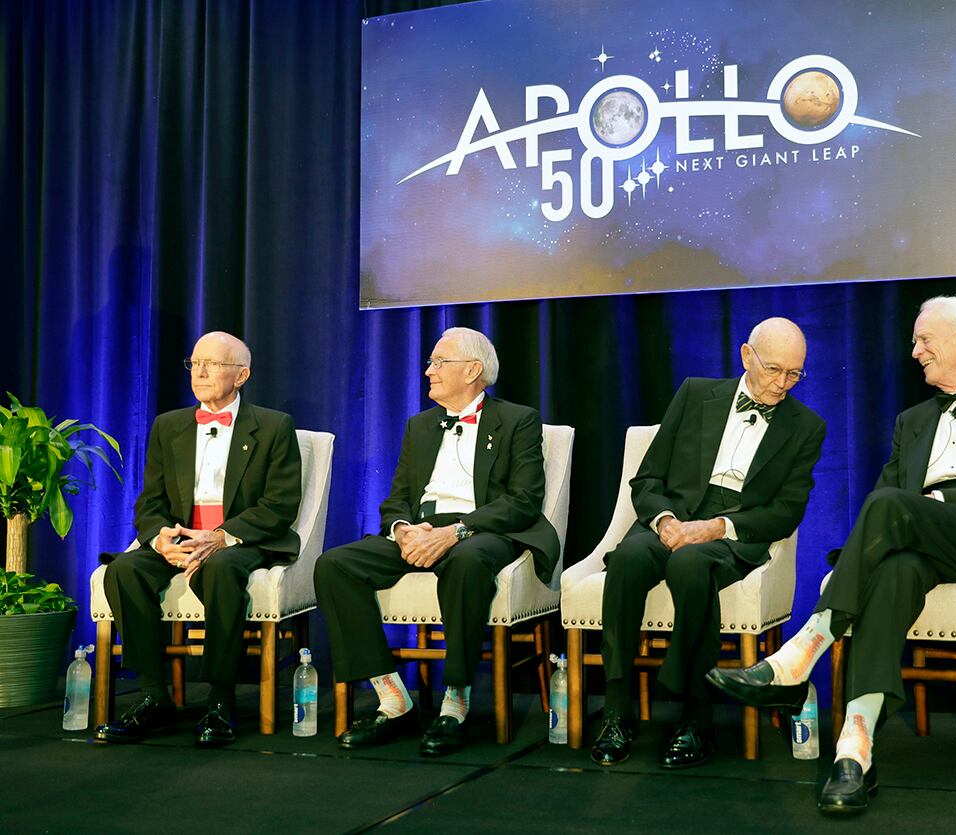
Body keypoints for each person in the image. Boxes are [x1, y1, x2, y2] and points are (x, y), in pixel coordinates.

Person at [708, 296, 956, 814]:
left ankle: (802, 651)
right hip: (920, 547)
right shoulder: (912, 420)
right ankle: (855, 751)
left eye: (924, 339)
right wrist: (906, 519)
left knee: (892, 507)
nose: (915, 350)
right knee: (895, 567)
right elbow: (886, 501)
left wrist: (941, 500)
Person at [590, 317, 826, 770]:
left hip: (732, 532)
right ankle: (618, 712)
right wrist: (664, 522)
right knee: (627, 560)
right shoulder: (696, 394)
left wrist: (717, 527)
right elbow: (648, 478)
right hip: (672, 520)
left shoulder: (805, 426)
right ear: (745, 356)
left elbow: (786, 512)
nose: (783, 384)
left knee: (690, 565)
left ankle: (696, 718)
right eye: (775, 369)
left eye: (794, 374)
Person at [315, 327, 557, 756]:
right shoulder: (420, 426)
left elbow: (523, 501)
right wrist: (402, 530)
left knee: (466, 563)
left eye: (438, 362)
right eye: (430, 362)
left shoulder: (517, 420)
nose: (428, 371)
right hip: (422, 530)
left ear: (473, 370)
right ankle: (393, 698)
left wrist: (457, 531)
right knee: (334, 564)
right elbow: (397, 498)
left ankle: (456, 701)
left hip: (484, 532)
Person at [96, 331, 302, 748]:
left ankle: (220, 700)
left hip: (238, 542)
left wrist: (222, 537)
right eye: (195, 363)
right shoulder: (168, 425)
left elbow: (279, 505)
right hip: (180, 537)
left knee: (222, 570)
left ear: (241, 375)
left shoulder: (274, 426)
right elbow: (150, 501)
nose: (201, 371)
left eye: (213, 364)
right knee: (123, 570)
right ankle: (154, 696)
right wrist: (159, 540)